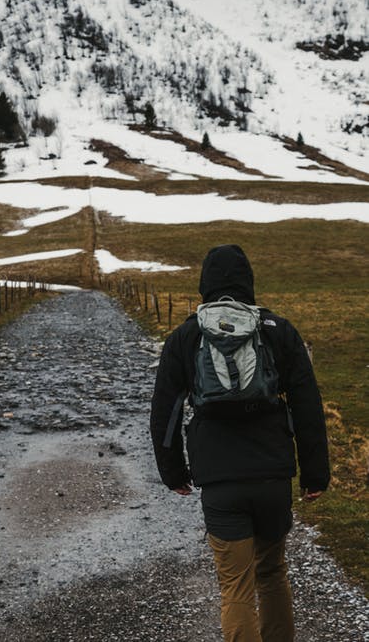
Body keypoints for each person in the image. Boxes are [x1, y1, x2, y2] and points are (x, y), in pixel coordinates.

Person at [150, 244, 330, 642]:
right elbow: (308, 408)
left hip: (219, 479)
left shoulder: (185, 336)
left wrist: (173, 472)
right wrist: (315, 475)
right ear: (248, 281)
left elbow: (165, 413)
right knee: (272, 574)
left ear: (204, 283)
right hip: (271, 476)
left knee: (236, 587)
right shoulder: (279, 331)